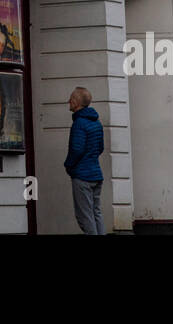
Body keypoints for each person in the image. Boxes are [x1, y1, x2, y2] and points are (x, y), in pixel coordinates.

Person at [64, 86, 105, 235]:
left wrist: (68, 165)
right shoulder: (96, 123)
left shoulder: (79, 124)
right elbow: (100, 148)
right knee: (96, 214)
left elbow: (76, 150)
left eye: (70, 99)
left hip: (82, 177)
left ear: (76, 102)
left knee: (85, 217)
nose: (68, 101)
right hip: (96, 174)